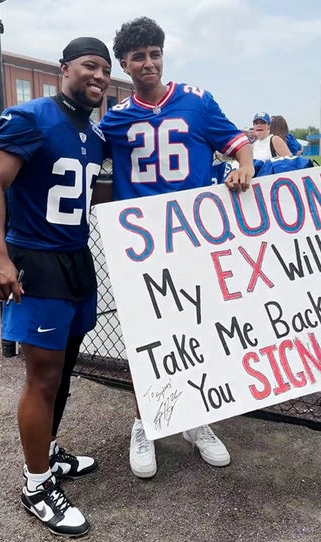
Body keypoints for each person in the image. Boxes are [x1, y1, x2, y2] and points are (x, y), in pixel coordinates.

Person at [99, 16, 254, 480]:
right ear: (124, 65)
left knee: (199, 330)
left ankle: (194, 417)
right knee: (145, 337)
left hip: (194, 238)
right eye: (138, 57)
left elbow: (238, 142)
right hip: (140, 245)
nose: (149, 63)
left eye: (154, 54)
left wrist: (243, 167)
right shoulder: (116, 117)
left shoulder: (196, 101)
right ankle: (144, 421)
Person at [0, 37, 112, 537]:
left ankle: (49, 452)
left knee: (66, 369)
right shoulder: (30, 116)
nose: (98, 76)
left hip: (75, 258)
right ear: (65, 69)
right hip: (36, 257)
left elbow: (91, 194)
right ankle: (36, 486)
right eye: (88, 67)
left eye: (104, 70)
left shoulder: (94, 135)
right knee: (43, 376)